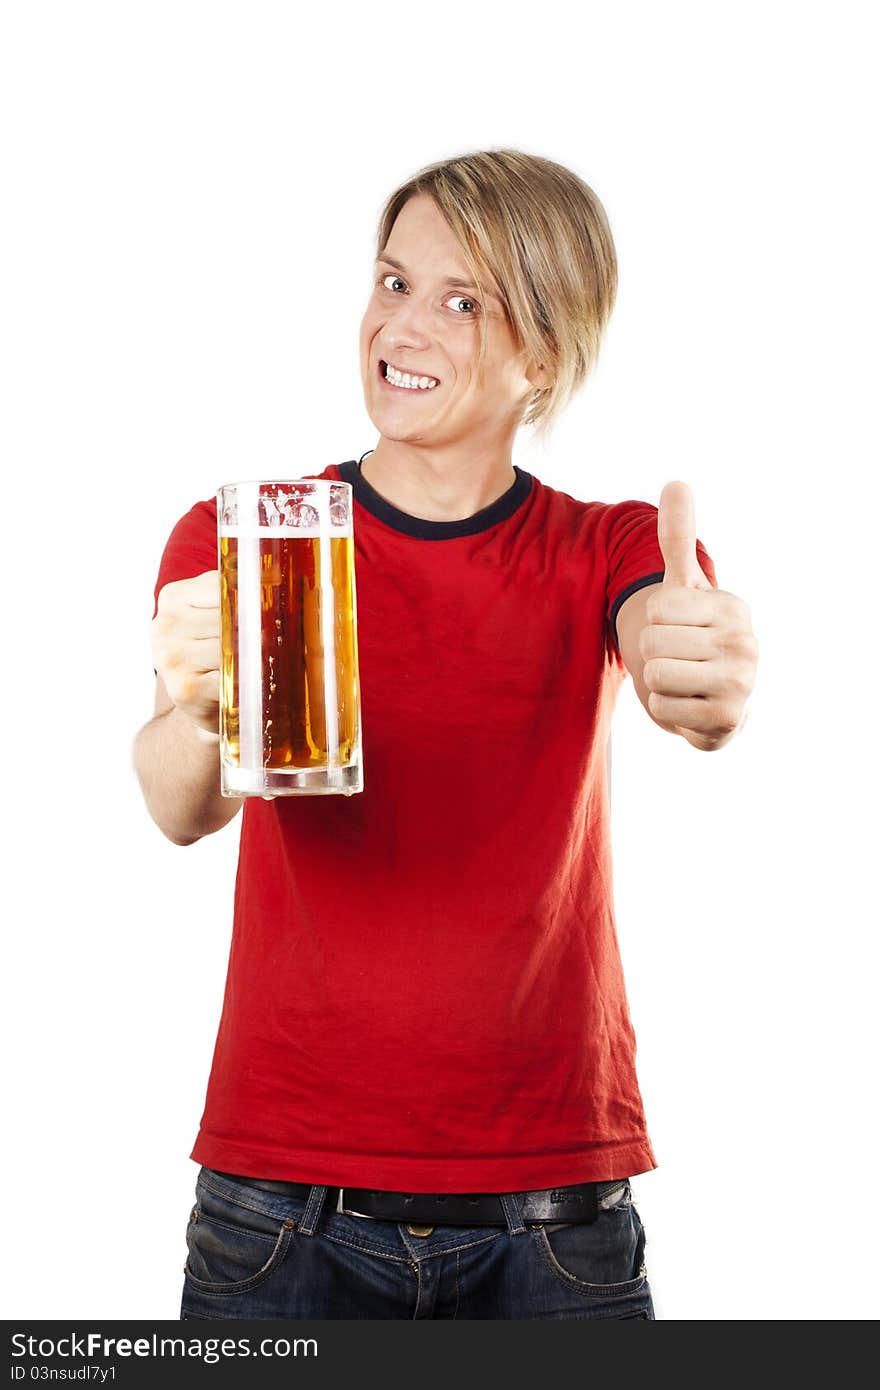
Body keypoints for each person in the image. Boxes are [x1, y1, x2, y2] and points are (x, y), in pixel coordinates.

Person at [134, 148, 758, 1321]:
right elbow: (177, 805)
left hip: (552, 1215)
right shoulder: (261, 544)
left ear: (543, 357)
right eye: (392, 280)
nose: (402, 324)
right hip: (277, 1207)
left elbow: (676, 645)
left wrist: (697, 665)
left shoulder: (605, 549)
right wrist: (202, 708)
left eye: (462, 300)